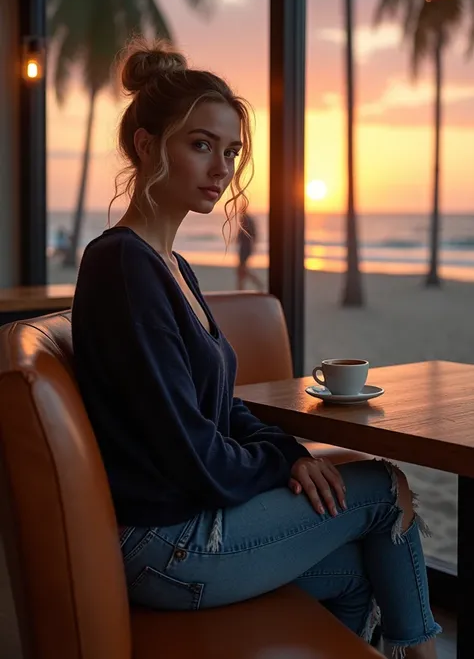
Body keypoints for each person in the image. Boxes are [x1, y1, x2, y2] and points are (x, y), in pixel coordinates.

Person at [71, 38, 441, 659]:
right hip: (166, 544)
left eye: (231, 150)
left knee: (356, 571)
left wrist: (291, 453)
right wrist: (282, 464)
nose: (222, 168)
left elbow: (222, 409)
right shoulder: (122, 267)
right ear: (146, 146)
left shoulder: (170, 266)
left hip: (188, 526)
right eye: (201, 145)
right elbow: (193, 451)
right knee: (380, 487)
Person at [236, 207, 263, 290]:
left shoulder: (246, 219)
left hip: (245, 246)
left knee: (242, 268)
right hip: (246, 246)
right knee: (241, 268)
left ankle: (257, 282)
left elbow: (250, 234)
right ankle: (241, 287)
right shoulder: (247, 219)